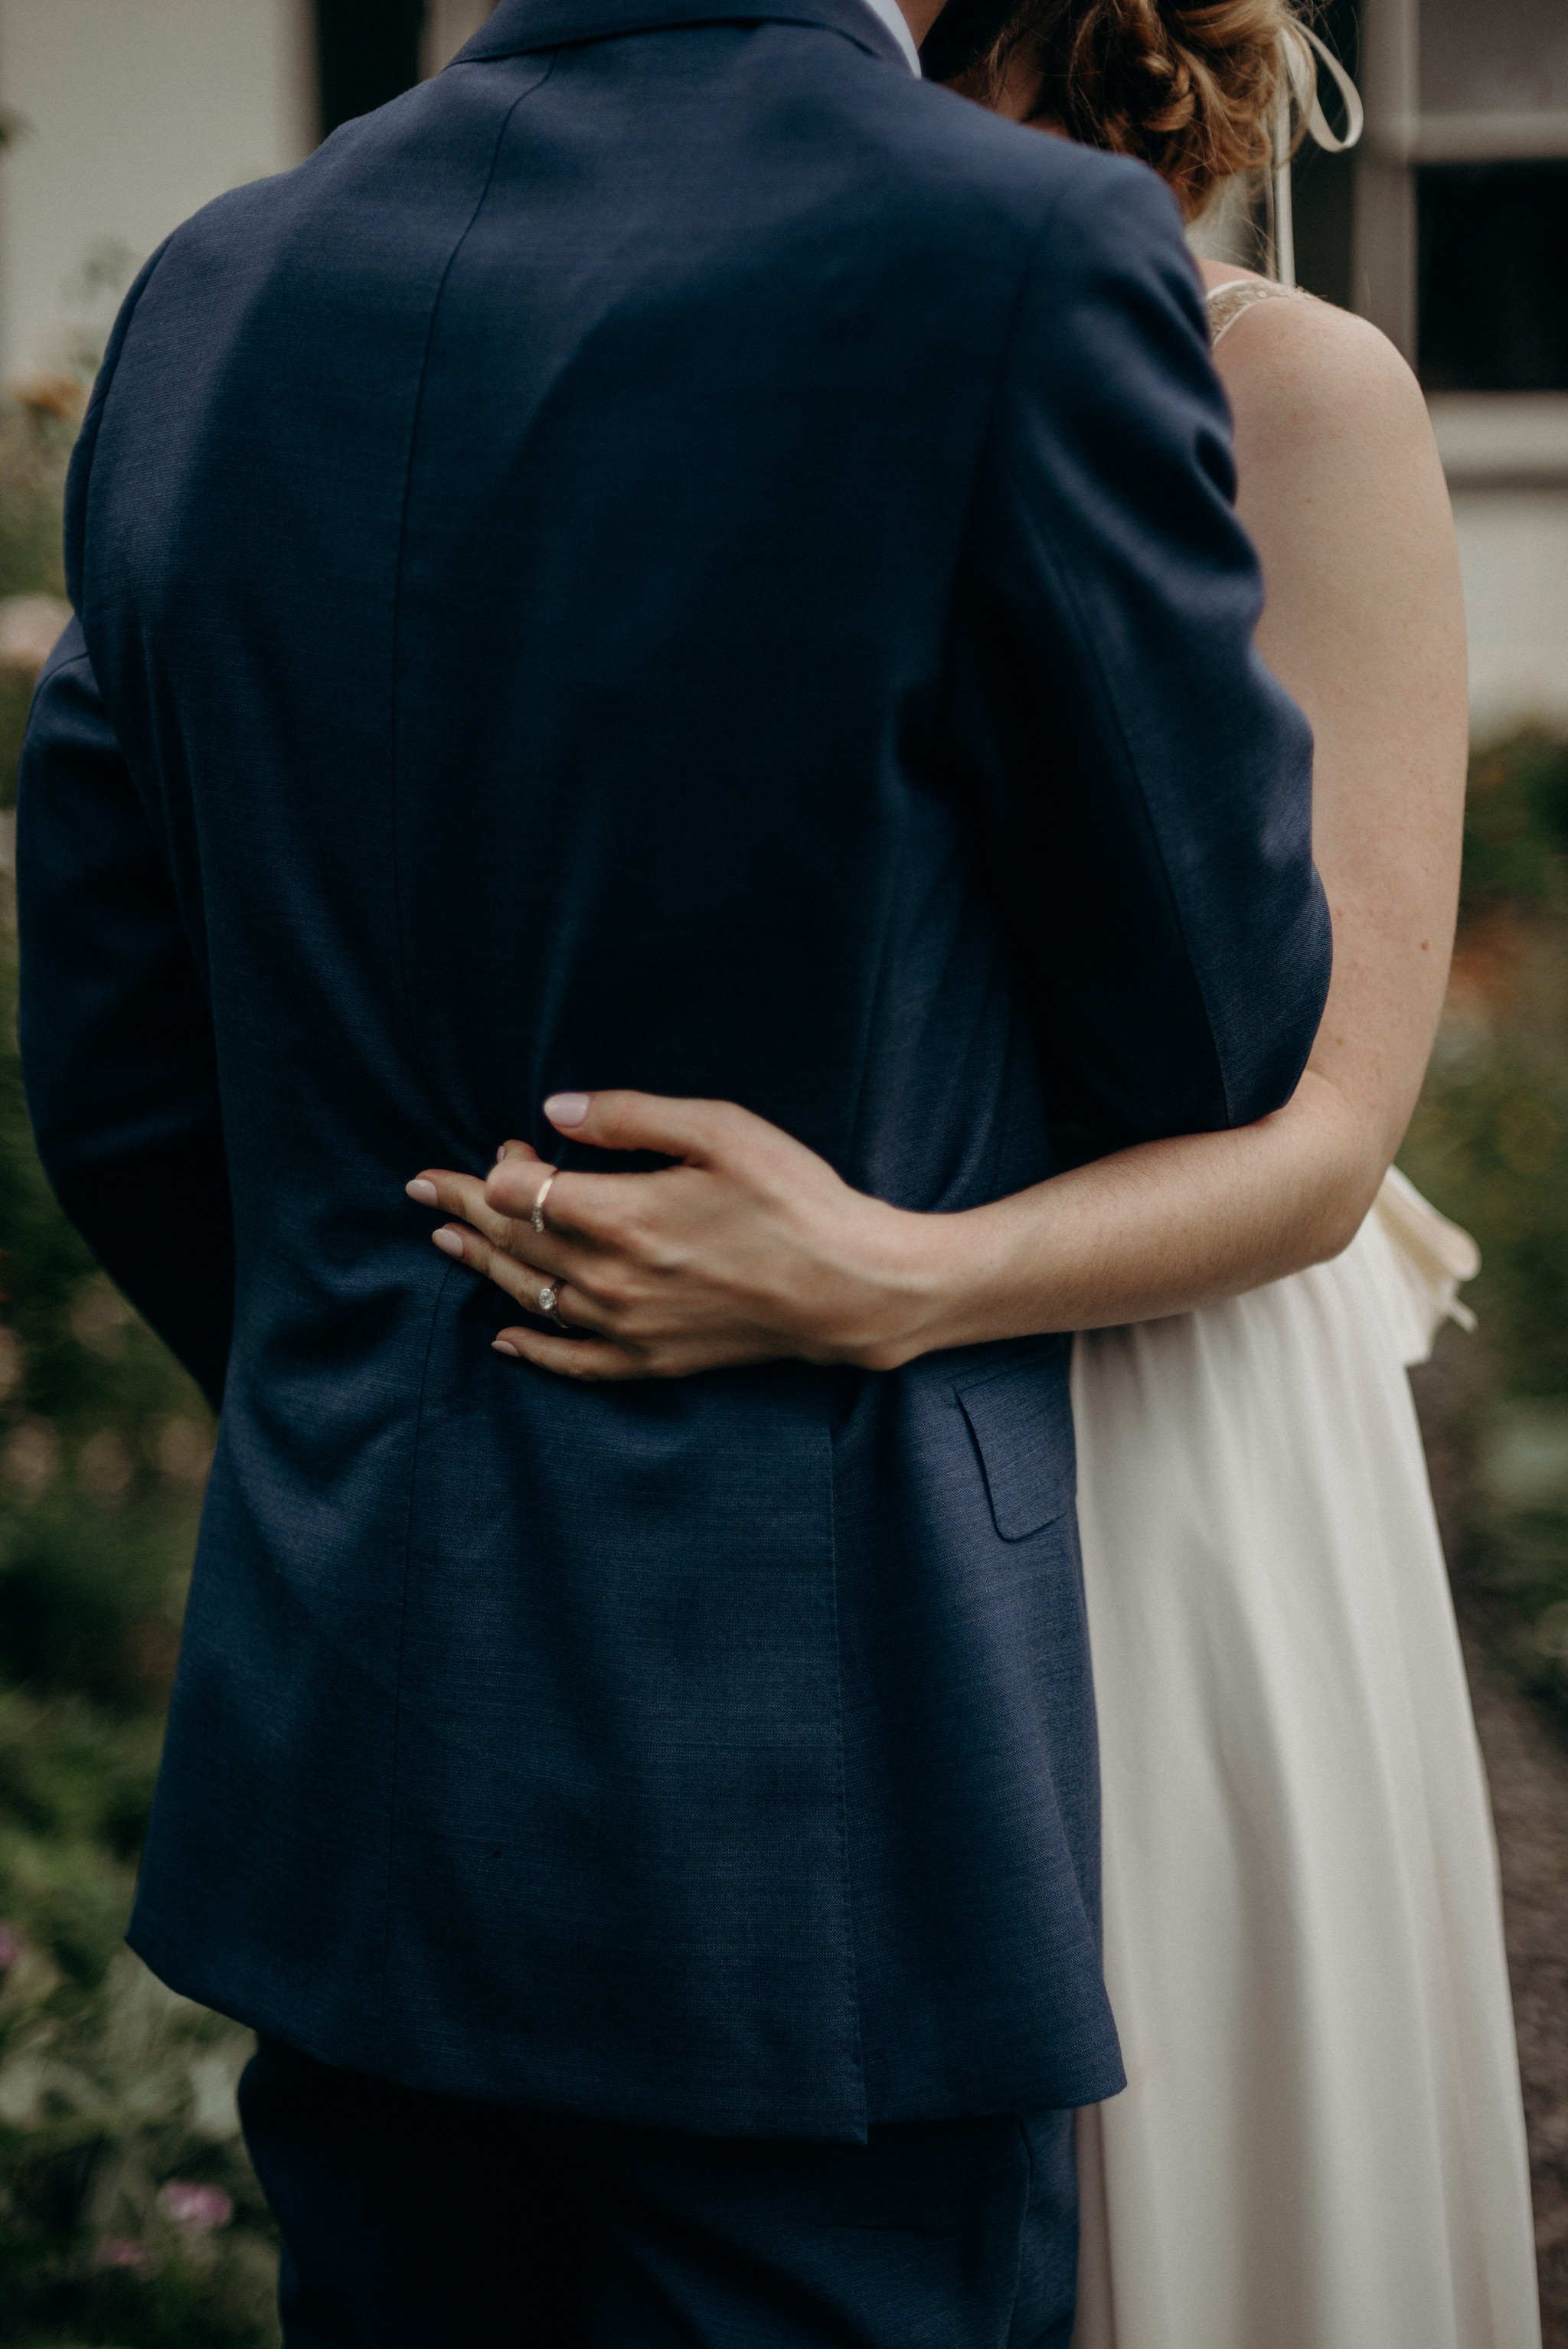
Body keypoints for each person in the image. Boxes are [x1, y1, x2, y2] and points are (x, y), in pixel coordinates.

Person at [16, 0, 1332, 2336]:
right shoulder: (1014, 255)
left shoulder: (216, 283)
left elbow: (116, 1061)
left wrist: (386, 1371)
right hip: (809, 1806)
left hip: (355, 1769)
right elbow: (1217, 1029)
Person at [404, 6, 1543, 2347]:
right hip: (762, 1425)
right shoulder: (720, 349)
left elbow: (1328, 1136)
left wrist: (885, 1274)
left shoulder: (1299, 394)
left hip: (1142, 1410)